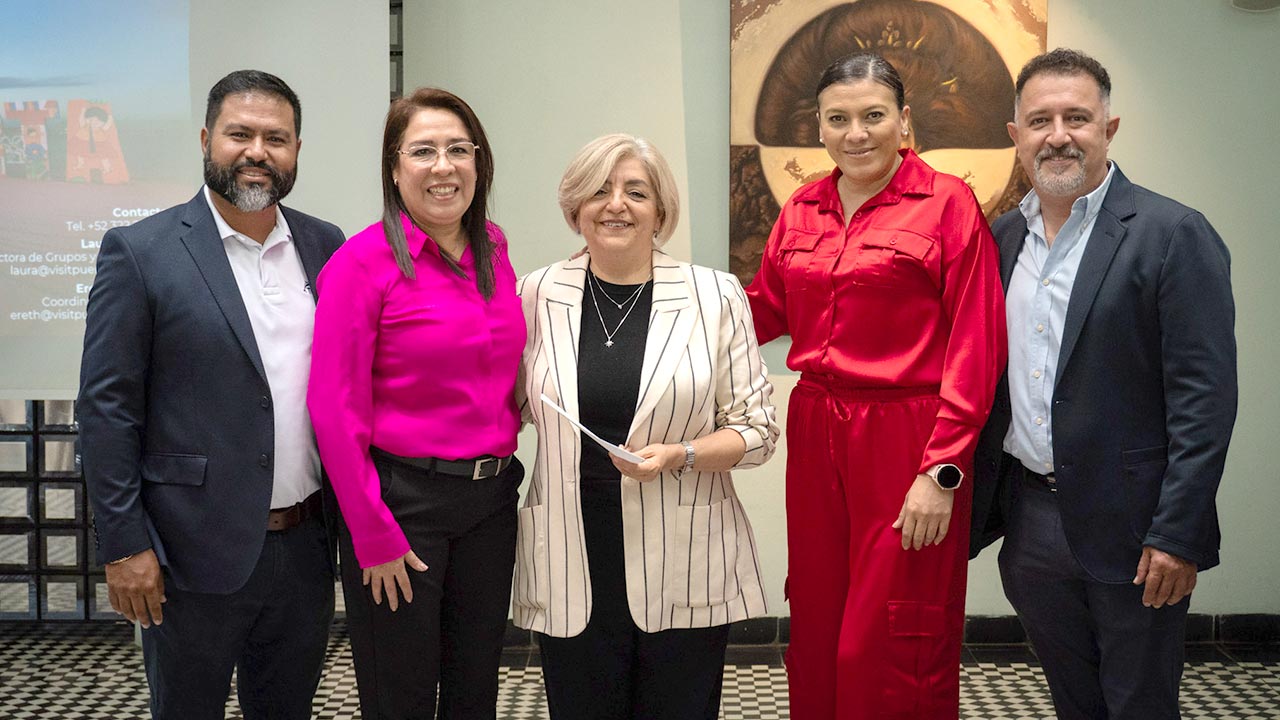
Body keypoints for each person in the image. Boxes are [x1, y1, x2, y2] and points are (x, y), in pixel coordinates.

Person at [970, 48, 1237, 720]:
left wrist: (1176, 533)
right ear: (1016, 135)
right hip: (1031, 524)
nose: (1058, 135)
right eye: (1040, 120)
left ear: (1108, 129)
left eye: (1077, 118)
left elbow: (1204, 404)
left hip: (1138, 529)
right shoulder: (1001, 238)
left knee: (1139, 703)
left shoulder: (1172, 234)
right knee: (1074, 701)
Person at [745, 53, 1007, 719]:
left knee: (893, 628)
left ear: (904, 120)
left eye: (873, 116)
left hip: (908, 436)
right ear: (819, 127)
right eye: (838, 119)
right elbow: (759, 312)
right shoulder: (803, 207)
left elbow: (976, 346)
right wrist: (657, 291)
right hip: (816, 428)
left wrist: (942, 470)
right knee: (817, 618)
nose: (856, 133)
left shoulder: (946, 204)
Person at [77, 70, 344, 720]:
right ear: (206, 140)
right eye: (239, 134)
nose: (258, 151)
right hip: (186, 554)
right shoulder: (141, 252)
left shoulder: (325, 245)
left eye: (276, 138)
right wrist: (124, 544)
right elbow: (107, 410)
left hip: (304, 549)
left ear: (297, 150)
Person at [514, 133, 779, 720]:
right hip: (571, 552)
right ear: (575, 208)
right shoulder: (534, 292)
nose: (616, 204)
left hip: (685, 554)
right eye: (599, 191)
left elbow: (758, 431)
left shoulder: (715, 294)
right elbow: (508, 406)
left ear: (660, 211)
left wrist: (681, 453)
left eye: (636, 191)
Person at [307, 87, 525, 720]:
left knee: (474, 692)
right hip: (402, 507)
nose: (443, 166)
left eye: (459, 149)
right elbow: (333, 409)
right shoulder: (360, 263)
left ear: (479, 162)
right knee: (399, 696)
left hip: (491, 502)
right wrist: (371, 531)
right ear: (394, 167)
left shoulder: (493, 247)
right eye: (423, 151)